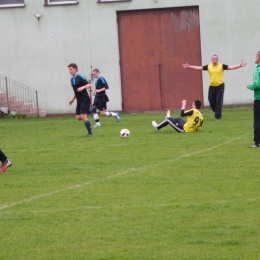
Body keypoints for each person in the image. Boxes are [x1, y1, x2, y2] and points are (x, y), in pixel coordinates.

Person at [182, 55, 247, 121]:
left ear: (218, 59)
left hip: (220, 86)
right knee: (211, 102)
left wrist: (240, 65)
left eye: (216, 58)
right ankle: (217, 111)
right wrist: (189, 66)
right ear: (211, 59)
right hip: (212, 86)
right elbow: (199, 68)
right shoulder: (208, 66)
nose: (215, 59)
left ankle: (218, 117)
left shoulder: (221, 66)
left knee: (218, 101)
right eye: (213, 58)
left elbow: (231, 67)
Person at [68, 63, 93, 136]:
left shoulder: (80, 76)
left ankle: (90, 133)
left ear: (75, 69)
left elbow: (89, 85)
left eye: (71, 69)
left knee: (83, 116)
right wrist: (72, 99)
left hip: (85, 99)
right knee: (78, 117)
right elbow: (76, 91)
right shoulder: (72, 80)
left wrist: (83, 87)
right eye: (69, 70)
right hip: (79, 100)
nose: (69, 71)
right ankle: (93, 111)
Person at [246, 51, 260, 148]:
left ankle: (257, 142)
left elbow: (257, 85)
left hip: (259, 99)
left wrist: (249, 86)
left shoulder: (257, 70)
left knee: (257, 121)